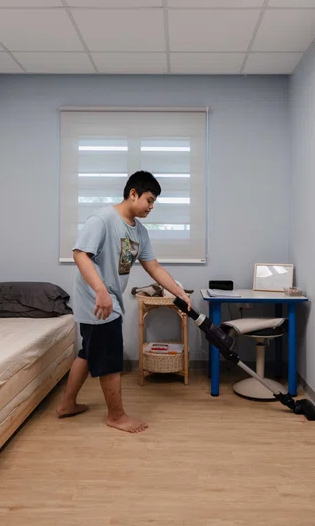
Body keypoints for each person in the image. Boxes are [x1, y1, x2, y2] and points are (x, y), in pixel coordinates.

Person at [55, 170, 191, 433]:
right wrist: (100, 291)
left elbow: (154, 267)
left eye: (154, 203)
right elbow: (80, 255)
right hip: (97, 301)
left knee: (88, 352)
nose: (152, 207)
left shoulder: (139, 231)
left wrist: (179, 293)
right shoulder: (103, 219)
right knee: (110, 357)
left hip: (107, 299)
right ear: (133, 194)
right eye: (149, 200)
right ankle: (116, 416)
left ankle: (67, 404)